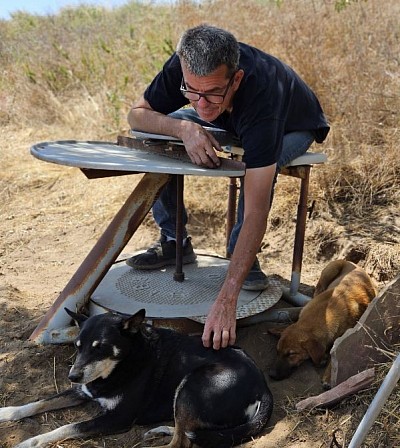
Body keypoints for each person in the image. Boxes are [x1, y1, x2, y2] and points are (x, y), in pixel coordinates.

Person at [126, 24, 330, 350]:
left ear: (235, 79)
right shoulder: (183, 68)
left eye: (213, 92)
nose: (201, 104)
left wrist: (227, 298)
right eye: (192, 91)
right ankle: (174, 241)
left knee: (259, 167)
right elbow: (137, 116)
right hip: (235, 118)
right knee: (157, 137)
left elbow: (257, 209)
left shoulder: (263, 96)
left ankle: (242, 260)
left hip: (293, 125)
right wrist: (182, 129)